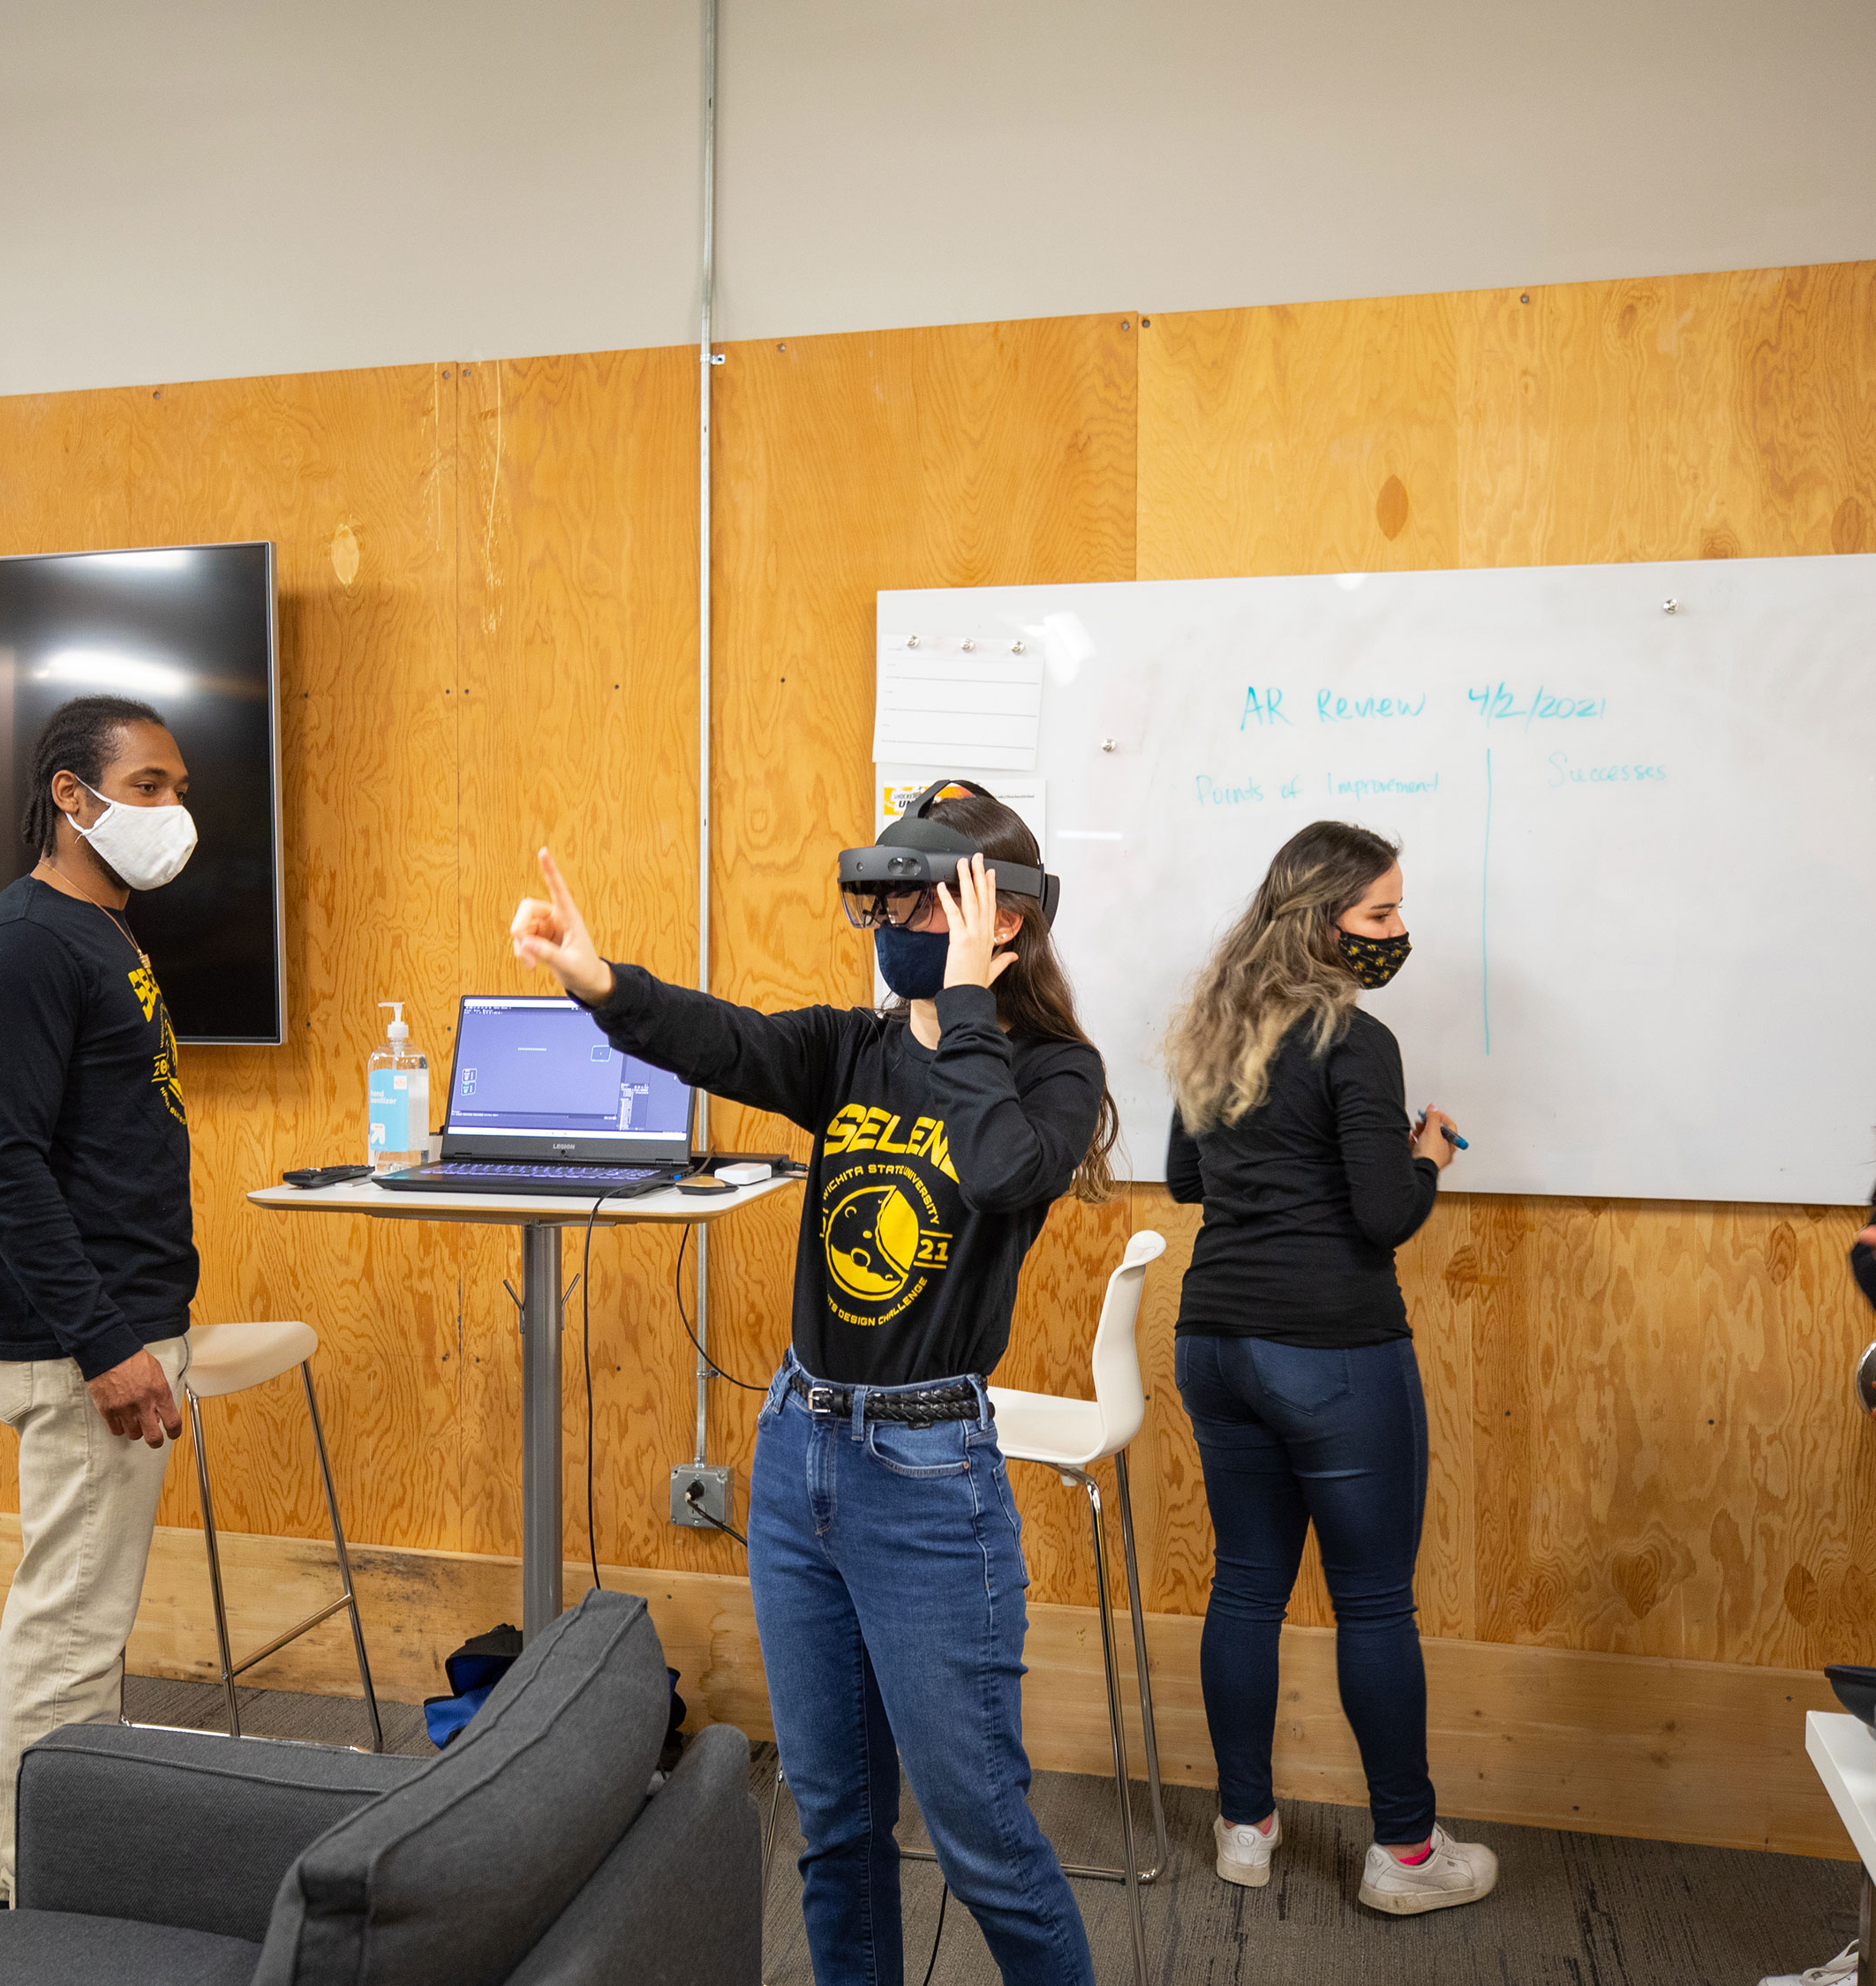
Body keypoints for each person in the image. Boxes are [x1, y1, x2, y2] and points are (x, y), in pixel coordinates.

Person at [510, 781, 1114, 1986]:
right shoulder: (853, 1047)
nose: (891, 917)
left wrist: (967, 1008)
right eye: (881, 895)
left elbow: (1000, 1172)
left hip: (929, 1482)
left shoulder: (1054, 1075)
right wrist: (600, 981)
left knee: (983, 1837)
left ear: (1002, 918)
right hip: (800, 1457)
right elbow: (725, 1037)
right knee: (834, 1826)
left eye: (918, 895)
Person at [1161, 819, 1495, 1915]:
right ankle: (1404, 1856)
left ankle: (1244, 1829)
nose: (1400, 932)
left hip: (1213, 1343)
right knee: (1374, 1606)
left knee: (1247, 1587)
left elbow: (1181, 1179)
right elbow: (1384, 1213)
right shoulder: (1356, 1039)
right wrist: (1428, 1153)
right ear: (1320, 921)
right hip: (1331, 1352)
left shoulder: (1216, 1024)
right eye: (1381, 913)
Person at [0, 695, 200, 1920]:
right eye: (145, 787)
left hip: (123, 1323)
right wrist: (108, 1344)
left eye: (173, 787)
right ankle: (10, 1898)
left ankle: (64, 1868)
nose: (170, 811)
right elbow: (3, 1165)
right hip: (81, 1345)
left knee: (84, 1620)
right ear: (68, 794)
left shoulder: (104, 932)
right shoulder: (23, 944)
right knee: (65, 1632)